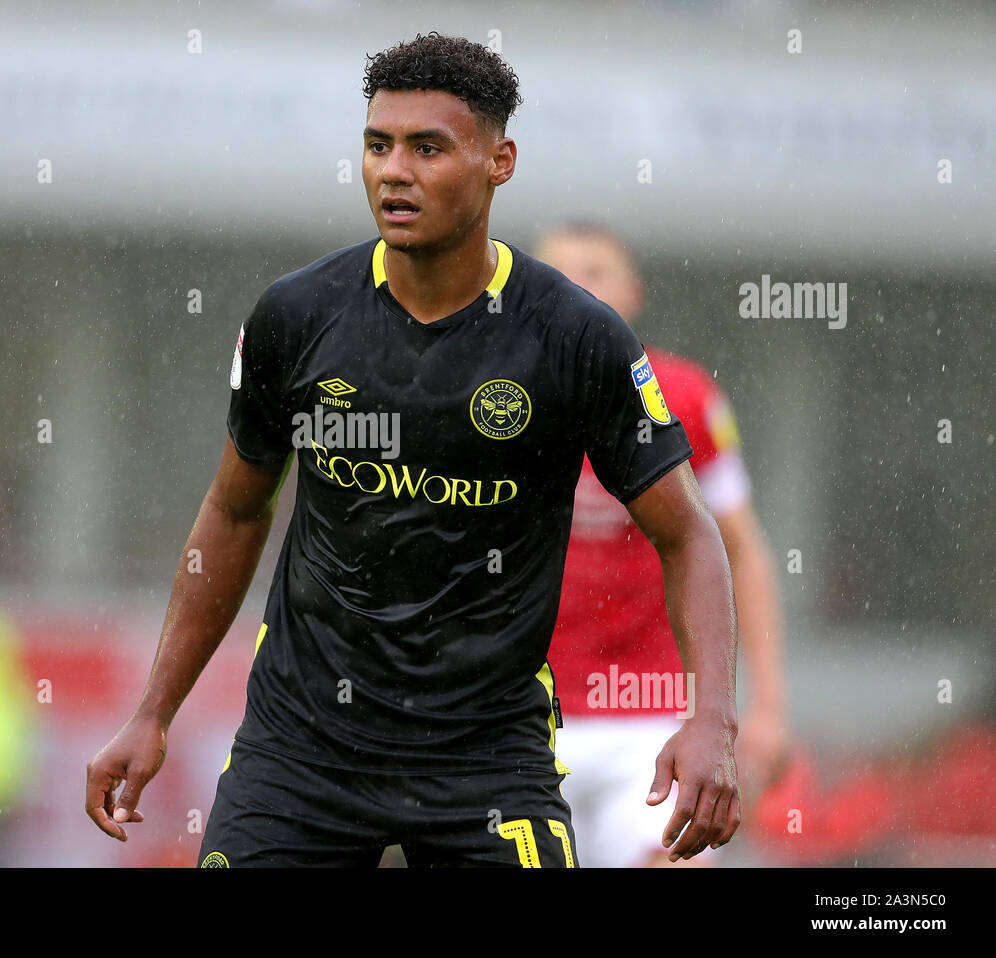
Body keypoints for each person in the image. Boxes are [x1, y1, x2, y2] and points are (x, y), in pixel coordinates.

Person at [86, 32, 741, 867]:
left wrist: (713, 718)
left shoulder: (574, 338)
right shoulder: (296, 317)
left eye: (428, 148)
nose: (395, 170)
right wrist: (153, 711)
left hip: (486, 758)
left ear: (499, 161)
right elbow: (234, 509)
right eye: (377, 145)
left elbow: (689, 533)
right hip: (299, 749)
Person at [535, 224, 788, 867]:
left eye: (595, 271)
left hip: (650, 712)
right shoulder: (491, 398)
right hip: (519, 714)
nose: (576, 288)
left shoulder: (685, 397)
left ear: (633, 292)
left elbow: (743, 552)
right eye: (557, 272)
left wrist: (767, 706)